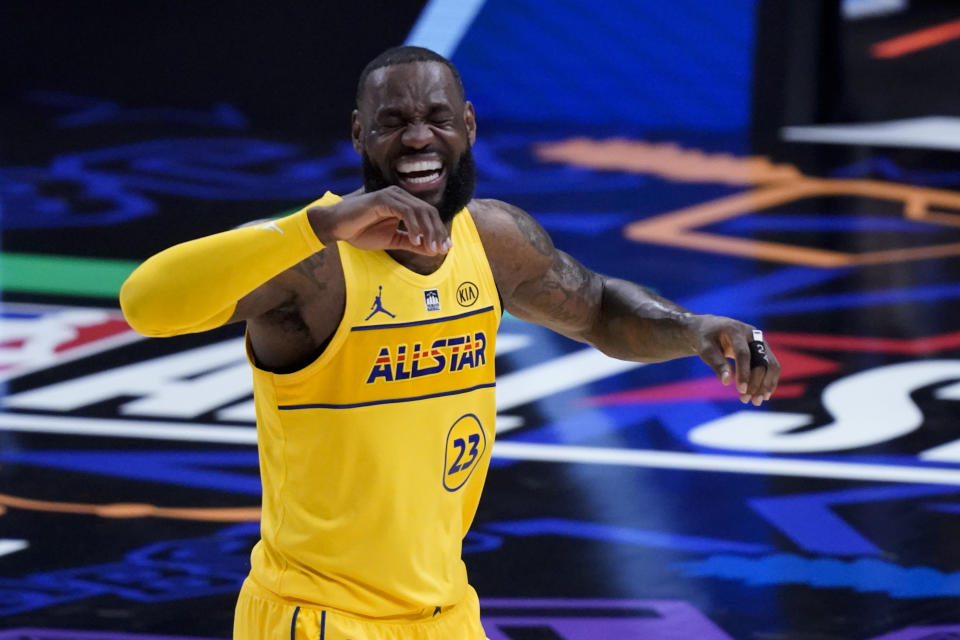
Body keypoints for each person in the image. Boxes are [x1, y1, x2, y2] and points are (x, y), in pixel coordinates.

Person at [120, 45, 780, 640]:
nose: (417, 137)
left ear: (468, 125)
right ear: (359, 134)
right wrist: (316, 225)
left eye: (436, 117)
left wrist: (695, 328)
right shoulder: (316, 264)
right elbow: (146, 304)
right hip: (320, 617)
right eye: (392, 121)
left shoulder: (492, 240)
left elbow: (600, 308)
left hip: (444, 612)